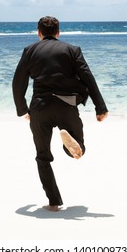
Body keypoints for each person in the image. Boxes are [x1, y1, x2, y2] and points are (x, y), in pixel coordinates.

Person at [12, 16, 108, 212]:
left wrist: (23, 110)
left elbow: (18, 82)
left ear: (38, 33)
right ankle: (73, 146)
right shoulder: (72, 50)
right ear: (58, 32)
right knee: (79, 148)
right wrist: (100, 107)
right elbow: (87, 77)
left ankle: (54, 201)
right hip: (66, 105)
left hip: (40, 107)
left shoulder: (30, 50)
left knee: (42, 156)